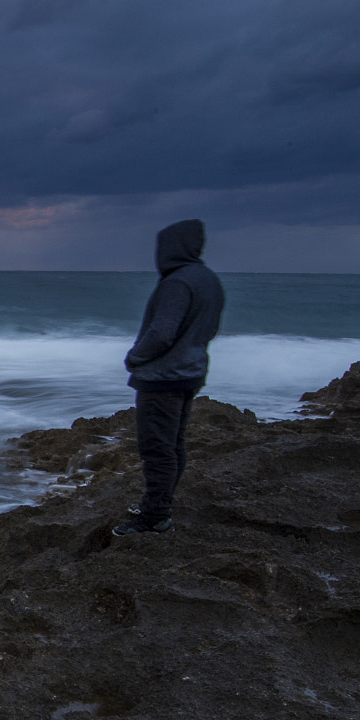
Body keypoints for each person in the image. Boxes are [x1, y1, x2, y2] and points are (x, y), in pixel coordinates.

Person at [114, 219, 225, 536]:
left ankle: (155, 517)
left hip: (163, 377)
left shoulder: (178, 283)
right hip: (189, 373)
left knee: (157, 448)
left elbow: (161, 333)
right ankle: (158, 504)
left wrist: (135, 357)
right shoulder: (208, 280)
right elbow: (211, 329)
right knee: (174, 444)